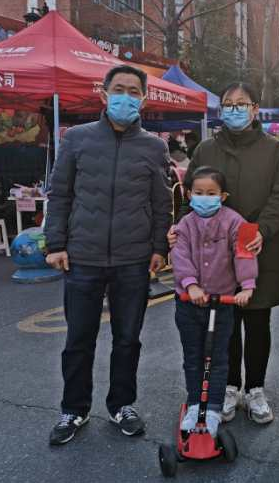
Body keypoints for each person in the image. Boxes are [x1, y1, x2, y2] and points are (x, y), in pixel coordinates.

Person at [45, 65, 171, 445]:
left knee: (128, 339)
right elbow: (60, 194)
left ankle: (122, 405)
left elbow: (161, 202)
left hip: (134, 259)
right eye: (119, 89)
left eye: (134, 91)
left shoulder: (154, 147)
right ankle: (74, 409)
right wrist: (56, 244)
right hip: (83, 256)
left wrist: (159, 248)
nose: (125, 97)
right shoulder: (76, 139)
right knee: (78, 339)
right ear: (103, 93)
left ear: (144, 99)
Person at [169, 82, 279, 426]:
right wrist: (180, 227)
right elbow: (190, 194)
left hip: (257, 245)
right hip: (212, 253)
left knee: (257, 320)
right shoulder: (206, 149)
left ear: (255, 109)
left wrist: (262, 231)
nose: (235, 109)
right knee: (224, 322)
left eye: (242, 103)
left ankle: (255, 388)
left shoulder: (274, 150)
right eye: (228, 104)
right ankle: (230, 387)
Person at [171, 167, 257, 435]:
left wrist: (247, 286)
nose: (204, 198)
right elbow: (180, 256)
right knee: (193, 357)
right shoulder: (184, 224)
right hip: (188, 302)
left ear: (223, 196)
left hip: (221, 304)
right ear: (189, 194)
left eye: (211, 193)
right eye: (199, 193)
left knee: (218, 360)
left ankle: (214, 409)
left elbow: (244, 252)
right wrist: (191, 285)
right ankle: (195, 404)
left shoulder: (235, 221)